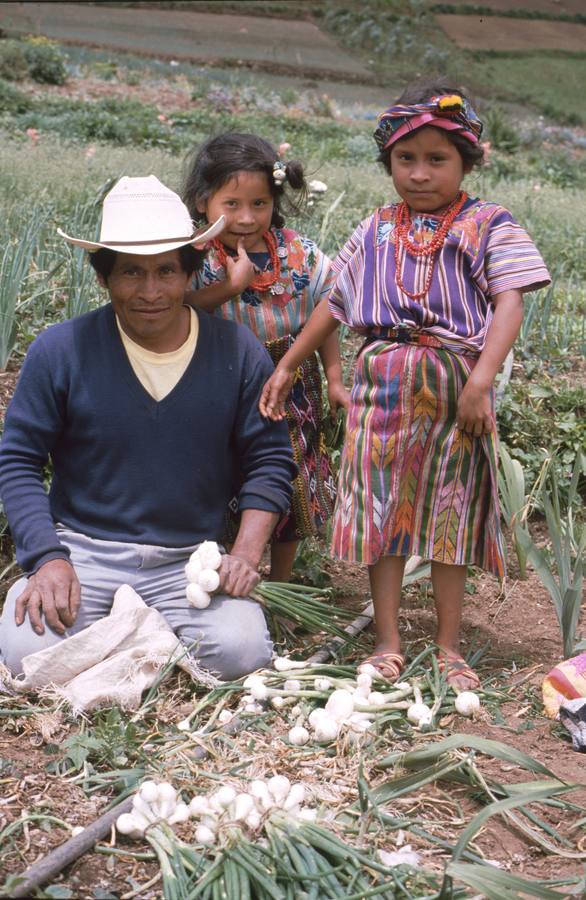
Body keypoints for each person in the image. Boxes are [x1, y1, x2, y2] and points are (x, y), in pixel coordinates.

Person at [259, 80, 551, 688]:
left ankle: (449, 645)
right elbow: (335, 302)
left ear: (466, 161)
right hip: (381, 384)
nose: (419, 173)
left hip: (455, 385)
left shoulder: (485, 223)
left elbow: (509, 301)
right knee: (381, 510)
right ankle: (388, 640)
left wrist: (483, 381)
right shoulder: (374, 229)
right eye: (405, 159)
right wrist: (289, 364)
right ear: (388, 162)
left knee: (451, 514)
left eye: (436, 159)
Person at [0, 175, 297, 681]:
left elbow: (269, 459)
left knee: (241, 655)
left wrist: (245, 553)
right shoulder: (62, 350)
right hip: (85, 553)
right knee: (26, 653)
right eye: (131, 273)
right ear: (104, 278)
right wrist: (47, 558)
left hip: (189, 561)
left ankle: (132, 634)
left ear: (190, 272)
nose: (151, 291)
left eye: (166, 271)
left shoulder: (236, 352)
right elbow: (19, 460)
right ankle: (141, 634)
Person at [182, 133, 349, 583]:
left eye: (259, 204)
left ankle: (281, 580)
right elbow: (175, 308)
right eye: (231, 203)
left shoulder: (301, 253)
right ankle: (219, 567)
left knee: (291, 475)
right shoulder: (192, 256)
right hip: (221, 380)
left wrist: (334, 379)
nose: (245, 217)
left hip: (293, 385)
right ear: (203, 201)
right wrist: (231, 288)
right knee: (227, 471)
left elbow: (328, 311)